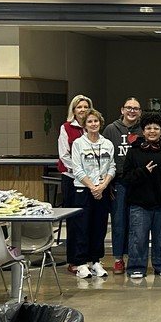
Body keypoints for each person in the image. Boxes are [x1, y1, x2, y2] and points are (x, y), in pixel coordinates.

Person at [123, 113, 161, 279]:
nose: (152, 131)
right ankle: (136, 266)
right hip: (139, 204)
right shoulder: (134, 152)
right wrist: (143, 172)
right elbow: (126, 177)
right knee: (138, 238)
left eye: (156, 128)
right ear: (143, 131)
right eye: (148, 128)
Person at [68, 109, 115, 279]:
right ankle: (81, 263)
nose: (93, 124)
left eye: (96, 121)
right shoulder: (78, 144)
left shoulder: (107, 143)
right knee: (82, 227)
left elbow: (112, 166)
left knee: (100, 227)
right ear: (84, 125)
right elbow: (77, 169)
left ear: (100, 123)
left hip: (102, 190)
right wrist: (92, 187)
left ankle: (95, 261)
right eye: (90, 122)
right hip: (83, 190)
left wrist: (102, 186)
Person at [102, 97, 142, 275]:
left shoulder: (143, 130)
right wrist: (107, 182)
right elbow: (104, 157)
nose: (132, 111)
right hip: (118, 181)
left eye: (135, 109)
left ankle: (135, 257)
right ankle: (118, 258)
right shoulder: (111, 129)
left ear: (140, 112)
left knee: (137, 222)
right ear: (122, 110)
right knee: (119, 221)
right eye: (129, 108)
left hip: (139, 182)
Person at [57, 94, 92, 274]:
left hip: (90, 182)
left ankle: (88, 258)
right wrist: (80, 171)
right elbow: (64, 155)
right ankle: (74, 260)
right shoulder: (66, 128)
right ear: (73, 110)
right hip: (72, 180)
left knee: (89, 221)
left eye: (86, 107)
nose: (83, 110)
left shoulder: (92, 128)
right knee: (75, 221)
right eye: (79, 107)